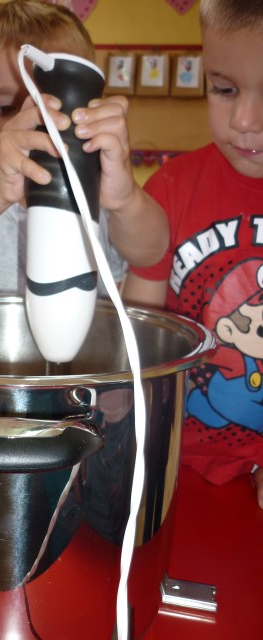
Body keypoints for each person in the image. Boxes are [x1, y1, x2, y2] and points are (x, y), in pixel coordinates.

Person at [0, 0, 169, 294]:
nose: (32, 124)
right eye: (5, 108)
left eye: (53, 108)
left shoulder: (95, 198)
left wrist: (125, 200)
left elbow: (151, 251)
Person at [122, 0, 263, 508]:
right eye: (224, 90)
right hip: (171, 458)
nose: (244, 121)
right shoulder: (170, 191)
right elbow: (139, 336)